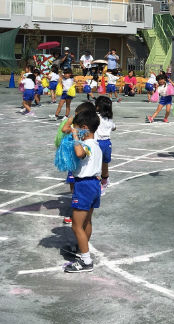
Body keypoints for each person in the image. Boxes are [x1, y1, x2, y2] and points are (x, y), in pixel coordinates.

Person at [63, 108, 102, 273]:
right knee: (87, 222)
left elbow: (79, 153)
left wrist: (74, 137)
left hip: (84, 186)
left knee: (76, 226)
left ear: (85, 127)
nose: (75, 130)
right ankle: (82, 249)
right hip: (94, 185)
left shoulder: (87, 145)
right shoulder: (97, 145)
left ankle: (86, 261)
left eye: (77, 127)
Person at [60, 102, 97, 225]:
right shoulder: (77, 125)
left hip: (82, 159)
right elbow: (64, 129)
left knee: (80, 185)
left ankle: (77, 211)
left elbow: (82, 153)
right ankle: (75, 204)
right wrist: (71, 121)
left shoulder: (86, 131)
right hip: (75, 159)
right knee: (73, 183)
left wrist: (75, 133)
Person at [94, 96, 116, 195]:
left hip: (96, 143)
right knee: (105, 163)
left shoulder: (95, 116)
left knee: (95, 164)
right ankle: (105, 181)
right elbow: (114, 128)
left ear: (98, 107)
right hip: (107, 143)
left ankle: (100, 183)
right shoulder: (109, 119)